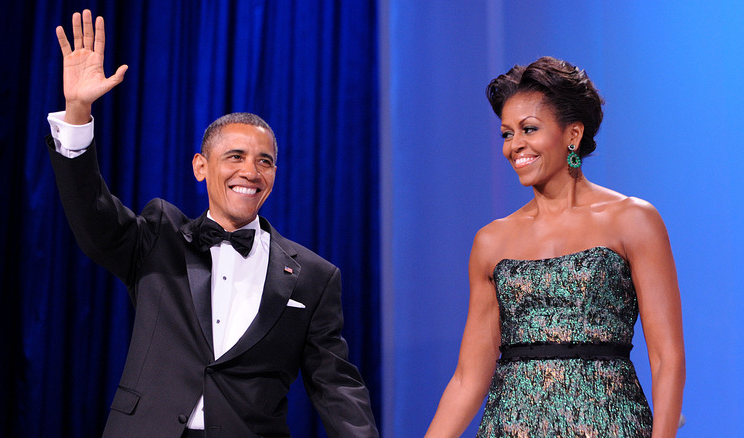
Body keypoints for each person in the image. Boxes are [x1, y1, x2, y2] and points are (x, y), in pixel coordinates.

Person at [45, 10, 378, 438]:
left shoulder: (313, 276)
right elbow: (91, 213)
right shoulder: (159, 235)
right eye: (235, 157)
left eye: (265, 161)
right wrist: (77, 113)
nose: (251, 172)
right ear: (201, 166)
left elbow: (335, 384)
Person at [425, 56, 685, 437]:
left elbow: (667, 358)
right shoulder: (491, 241)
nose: (515, 146)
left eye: (528, 129)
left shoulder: (633, 220)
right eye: (506, 133)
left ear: (572, 134)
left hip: (608, 426)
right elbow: (468, 378)